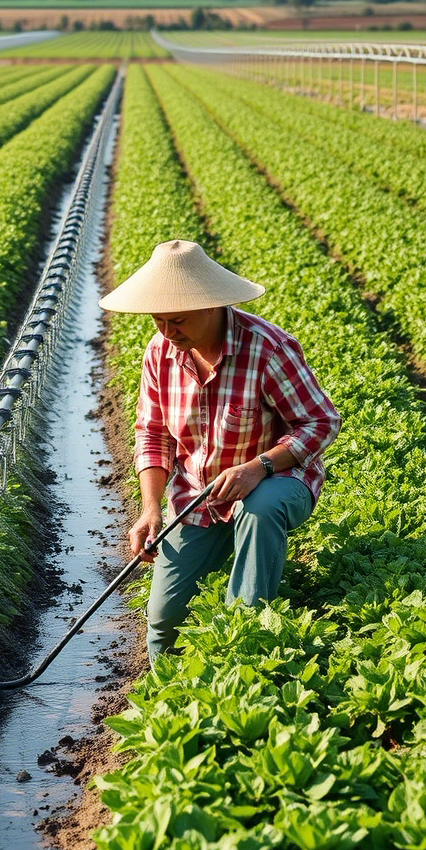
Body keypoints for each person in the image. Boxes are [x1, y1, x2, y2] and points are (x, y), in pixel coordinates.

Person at [99, 240, 341, 660]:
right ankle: (170, 701)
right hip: (199, 495)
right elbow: (153, 434)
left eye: (177, 320)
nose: (167, 332)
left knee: (259, 507)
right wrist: (152, 508)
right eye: (158, 320)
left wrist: (260, 466)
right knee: (164, 620)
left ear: (212, 306)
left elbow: (321, 422)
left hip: (279, 481)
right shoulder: (160, 353)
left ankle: (246, 641)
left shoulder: (267, 349)